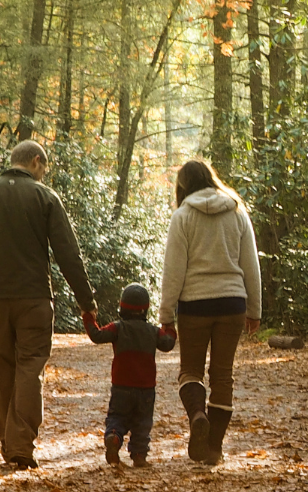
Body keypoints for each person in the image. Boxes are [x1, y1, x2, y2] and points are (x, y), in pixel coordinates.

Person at [0, 140, 96, 470]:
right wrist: (86, 301)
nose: (43, 175)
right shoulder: (45, 197)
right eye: (43, 169)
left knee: (2, 371)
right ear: (36, 162)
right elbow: (68, 255)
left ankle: (10, 442)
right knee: (30, 367)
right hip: (34, 299)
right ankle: (20, 444)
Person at [158, 160, 261, 466]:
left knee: (190, 370)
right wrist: (254, 309)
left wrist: (167, 314)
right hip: (232, 303)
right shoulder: (237, 212)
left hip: (195, 305)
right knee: (223, 376)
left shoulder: (183, 216)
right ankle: (213, 448)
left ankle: (197, 415)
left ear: (184, 185)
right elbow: (250, 266)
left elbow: (173, 270)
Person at [83, 283, 176, 468]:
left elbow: (97, 335)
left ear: (122, 307)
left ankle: (114, 436)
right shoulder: (153, 331)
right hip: (146, 388)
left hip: (121, 386)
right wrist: (170, 327)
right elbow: (168, 343)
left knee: (117, 415)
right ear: (145, 309)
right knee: (142, 422)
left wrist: (88, 316)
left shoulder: (118, 328)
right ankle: (139, 455)